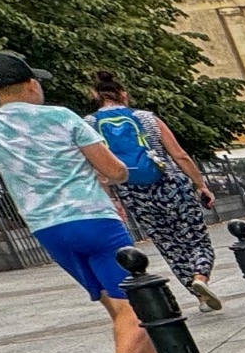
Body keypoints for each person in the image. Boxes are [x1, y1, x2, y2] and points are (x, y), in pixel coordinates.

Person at [0, 52, 166, 353]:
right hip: (94, 219)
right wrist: (121, 173)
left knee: (114, 302)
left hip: (48, 229)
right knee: (134, 299)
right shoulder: (63, 117)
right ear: (32, 84)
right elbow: (111, 167)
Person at [86, 71, 223, 311]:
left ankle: (199, 297)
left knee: (168, 244)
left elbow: (97, 169)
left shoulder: (89, 125)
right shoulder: (146, 118)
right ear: (124, 94)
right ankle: (200, 276)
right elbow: (179, 154)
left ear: (94, 95)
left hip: (133, 191)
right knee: (196, 238)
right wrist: (200, 184)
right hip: (170, 184)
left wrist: (112, 201)